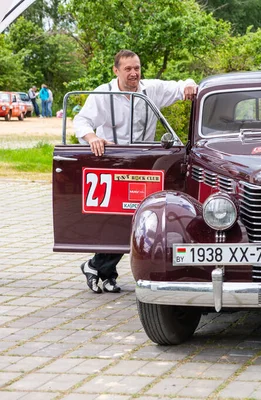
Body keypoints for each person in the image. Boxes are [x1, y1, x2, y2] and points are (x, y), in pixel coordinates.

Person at [74, 49, 197, 293]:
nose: (134, 73)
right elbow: (81, 121)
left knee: (138, 216)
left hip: (144, 163)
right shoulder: (103, 93)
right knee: (117, 219)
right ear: (116, 70)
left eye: (137, 68)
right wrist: (92, 137)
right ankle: (101, 269)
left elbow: (183, 84)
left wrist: (190, 85)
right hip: (114, 162)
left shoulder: (150, 89)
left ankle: (99, 268)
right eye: (128, 69)